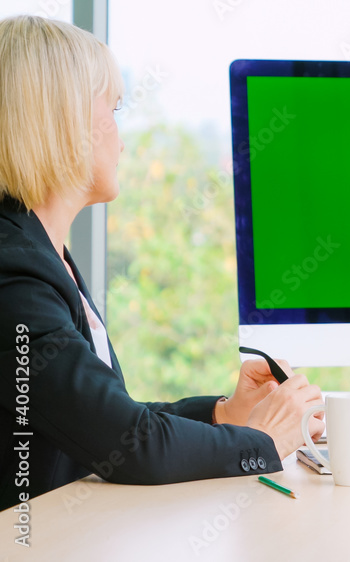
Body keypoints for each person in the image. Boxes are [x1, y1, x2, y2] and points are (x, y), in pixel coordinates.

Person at [0, 15, 324, 511]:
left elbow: (106, 420)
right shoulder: (14, 273)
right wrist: (264, 440)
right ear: (64, 122)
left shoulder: (42, 255)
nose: (122, 139)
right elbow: (130, 447)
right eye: (112, 109)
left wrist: (223, 416)